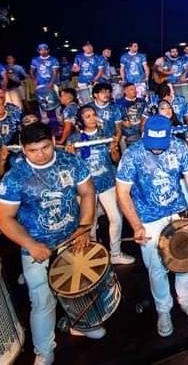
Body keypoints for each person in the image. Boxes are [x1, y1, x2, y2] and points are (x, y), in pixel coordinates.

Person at [0, 123, 100, 365]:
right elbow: (4, 218)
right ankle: (44, 348)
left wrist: (84, 228)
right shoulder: (16, 177)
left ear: (53, 141)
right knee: (42, 300)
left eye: (45, 147)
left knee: (79, 288)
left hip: (73, 239)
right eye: (33, 150)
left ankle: (81, 325)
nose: (41, 154)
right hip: (37, 246)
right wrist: (30, 245)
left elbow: (87, 192)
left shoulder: (69, 161)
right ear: (23, 150)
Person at [115, 115, 188, 336]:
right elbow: (122, 193)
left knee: (185, 259)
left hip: (177, 212)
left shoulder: (179, 148)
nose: (156, 150)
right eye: (152, 146)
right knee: (157, 267)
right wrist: (136, 226)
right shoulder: (132, 154)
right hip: (148, 219)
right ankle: (164, 310)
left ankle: (186, 301)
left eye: (160, 146)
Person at [67, 106, 134, 265]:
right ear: (81, 120)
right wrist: (69, 155)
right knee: (90, 223)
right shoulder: (74, 140)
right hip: (86, 188)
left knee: (116, 218)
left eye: (93, 115)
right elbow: (70, 166)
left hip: (107, 182)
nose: (92, 118)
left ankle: (115, 253)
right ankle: (95, 256)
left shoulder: (105, 135)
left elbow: (116, 160)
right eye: (87, 116)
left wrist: (114, 151)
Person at [30, 43, 61, 124]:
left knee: (56, 100)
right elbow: (31, 71)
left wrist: (51, 83)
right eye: (41, 50)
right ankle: (44, 120)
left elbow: (55, 73)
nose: (43, 51)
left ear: (48, 50)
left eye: (45, 49)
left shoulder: (53, 60)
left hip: (52, 83)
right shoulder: (35, 60)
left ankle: (60, 119)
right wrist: (34, 79)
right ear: (38, 51)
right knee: (42, 101)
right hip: (40, 84)